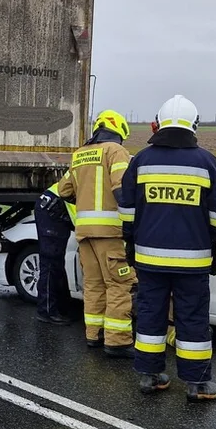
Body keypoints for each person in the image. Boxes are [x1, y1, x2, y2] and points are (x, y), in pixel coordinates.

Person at [118, 95, 216, 400]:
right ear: (194, 125)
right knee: (192, 319)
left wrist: (129, 241)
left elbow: (127, 208)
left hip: (149, 259)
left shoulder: (141, 160)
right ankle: (197, 384)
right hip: (193, 262)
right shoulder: (206, 161)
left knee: (150, 315)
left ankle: (151, 377)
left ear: (160, 123)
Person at [56, 110, 138, 356]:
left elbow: (63, 190)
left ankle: (94, 335)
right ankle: (117, 341)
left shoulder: (80, 154)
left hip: (85, 233)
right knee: (119, 285)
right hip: (111, 233)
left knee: (93, 285)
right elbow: (123, 189)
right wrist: (132, 222)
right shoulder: (115, 151)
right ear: (119, 130)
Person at [33, 182, 75, 325]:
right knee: (50, 262)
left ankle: (62, 308)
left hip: (55, 207)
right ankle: (46, 311)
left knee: (56, 263)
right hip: (53, 209)